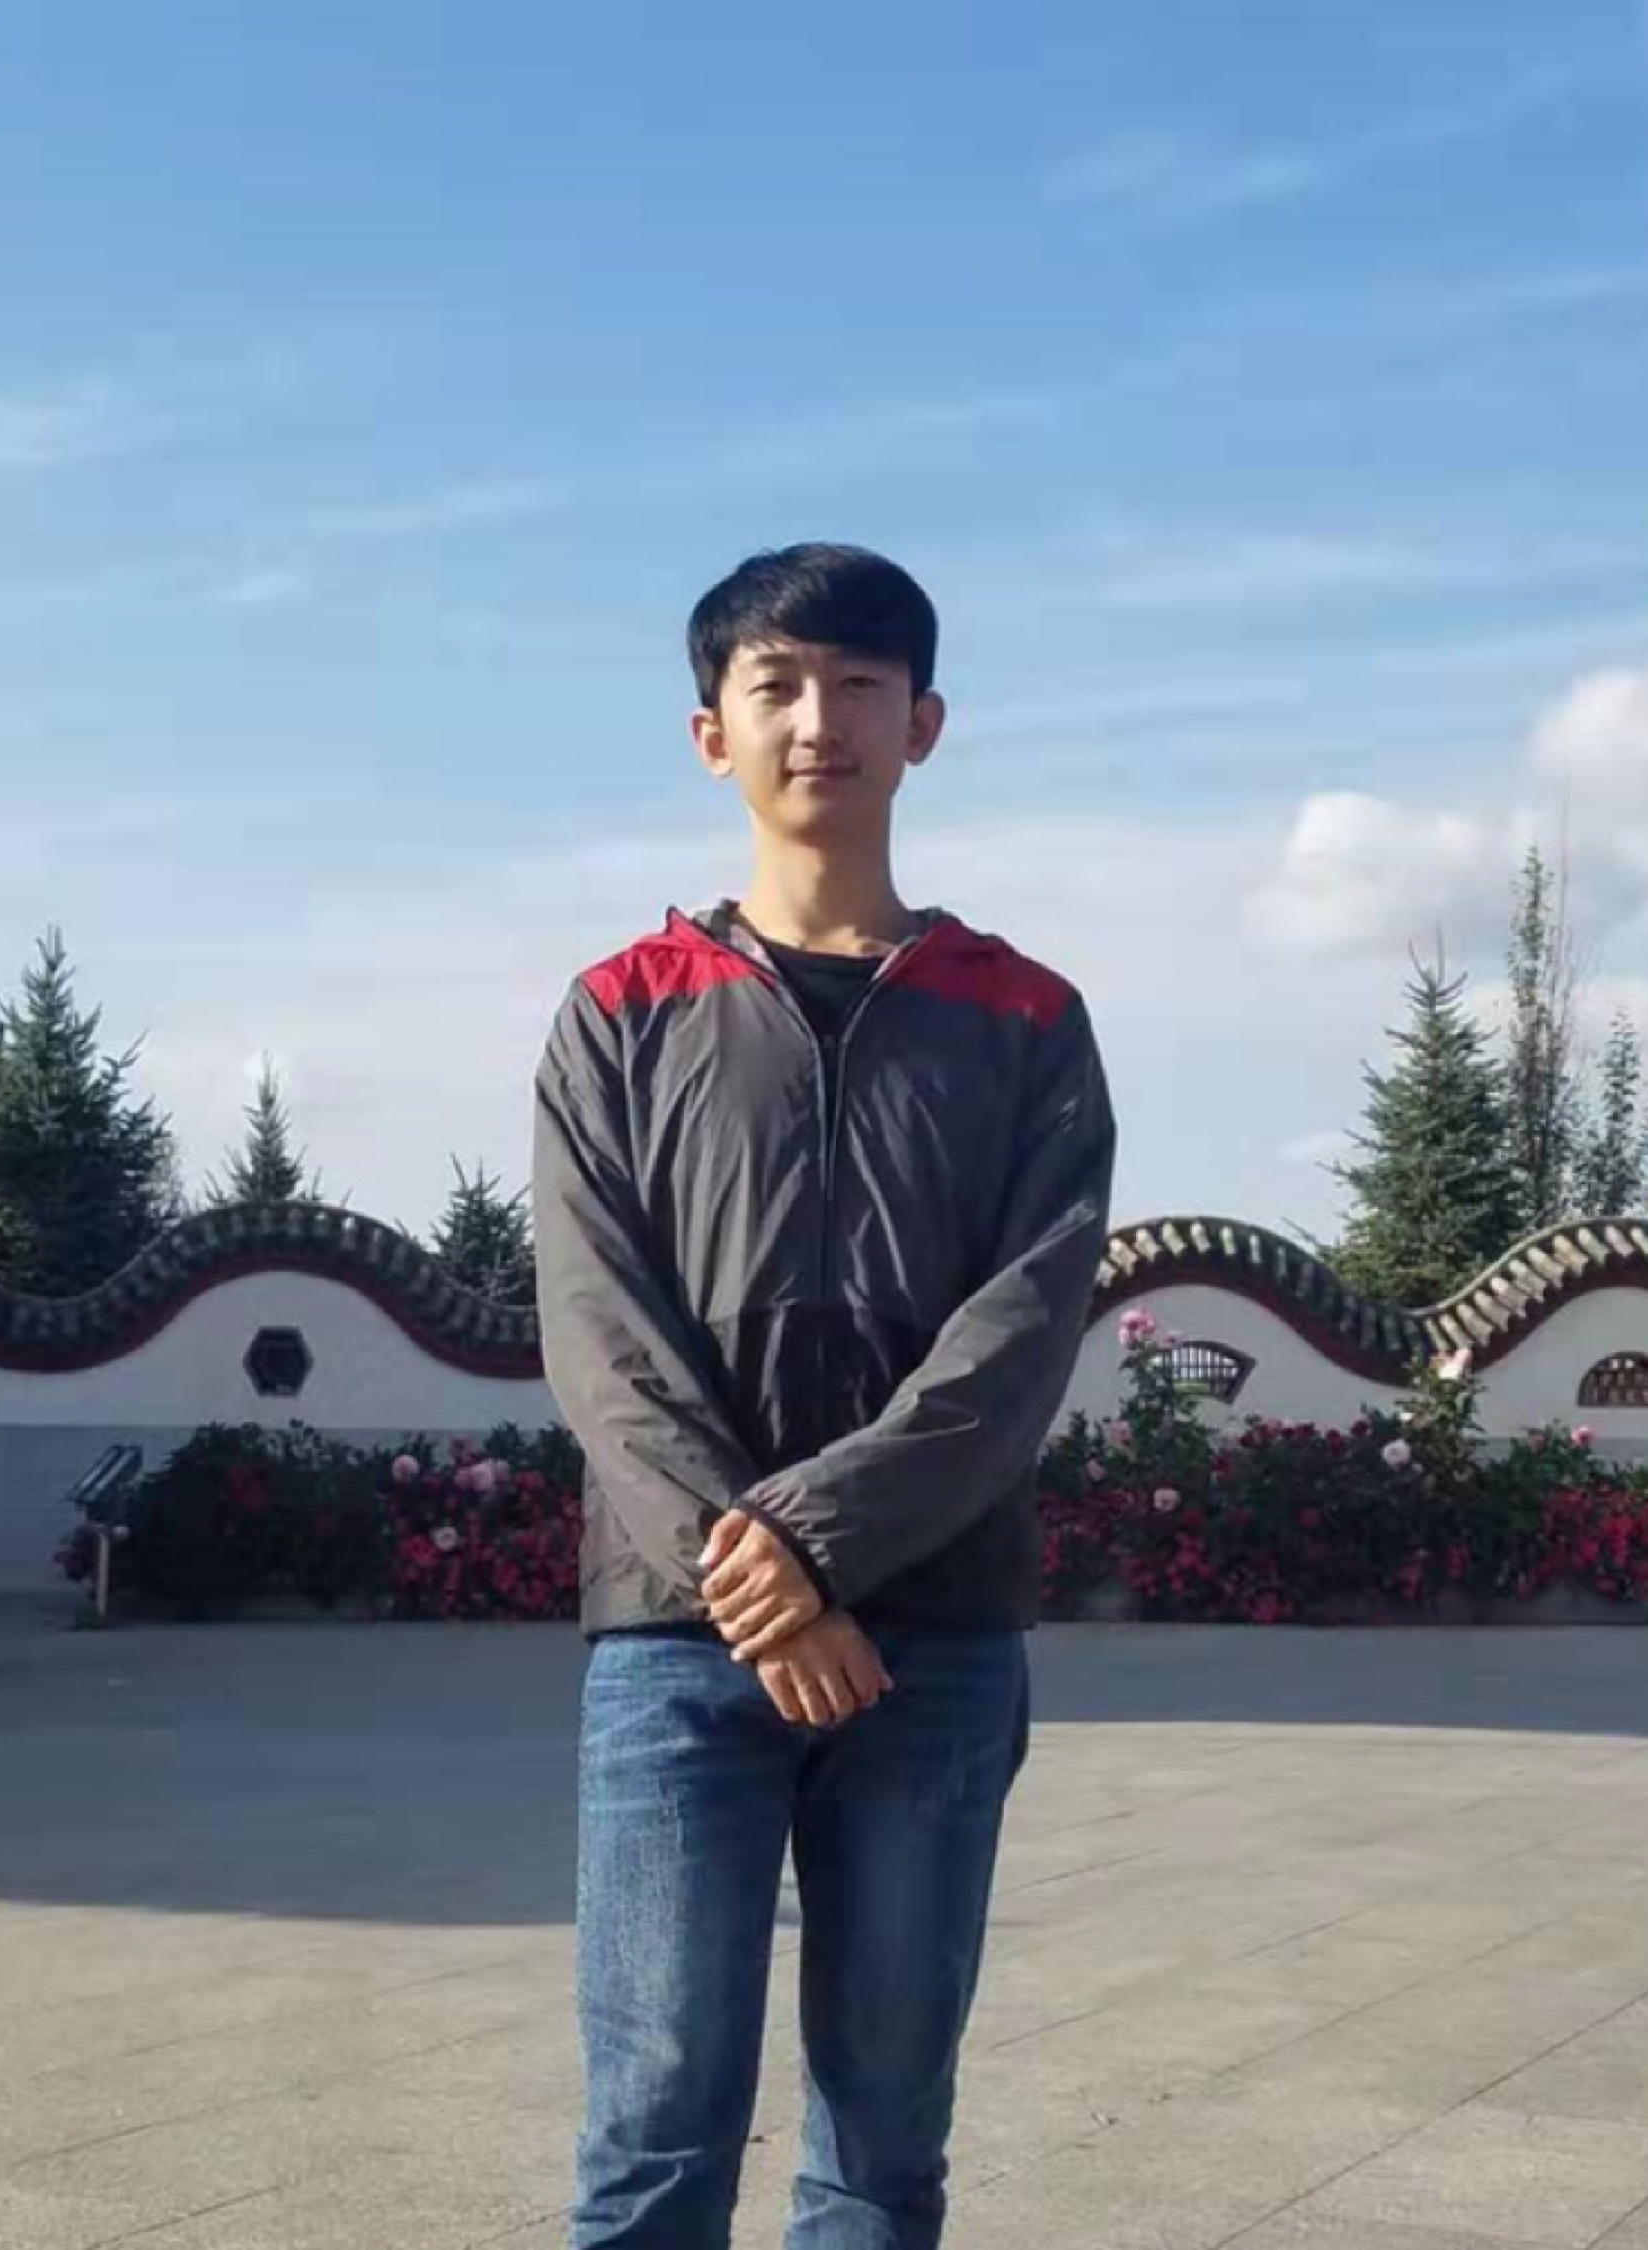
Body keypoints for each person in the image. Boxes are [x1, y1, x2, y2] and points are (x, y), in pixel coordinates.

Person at [533, 542, 1116, 2248]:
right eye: (776, 684)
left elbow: (1020, 1334)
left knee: (881, 2132)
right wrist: (757, 1575)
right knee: (652, 2128)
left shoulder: (1024, 1017)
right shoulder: (620, 1014)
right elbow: (599, 1330)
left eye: (860, 684)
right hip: (676, 1641)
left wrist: (811, 1544)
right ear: (709, 732)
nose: (818, 721)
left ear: (921, 723)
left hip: (933, 1635)